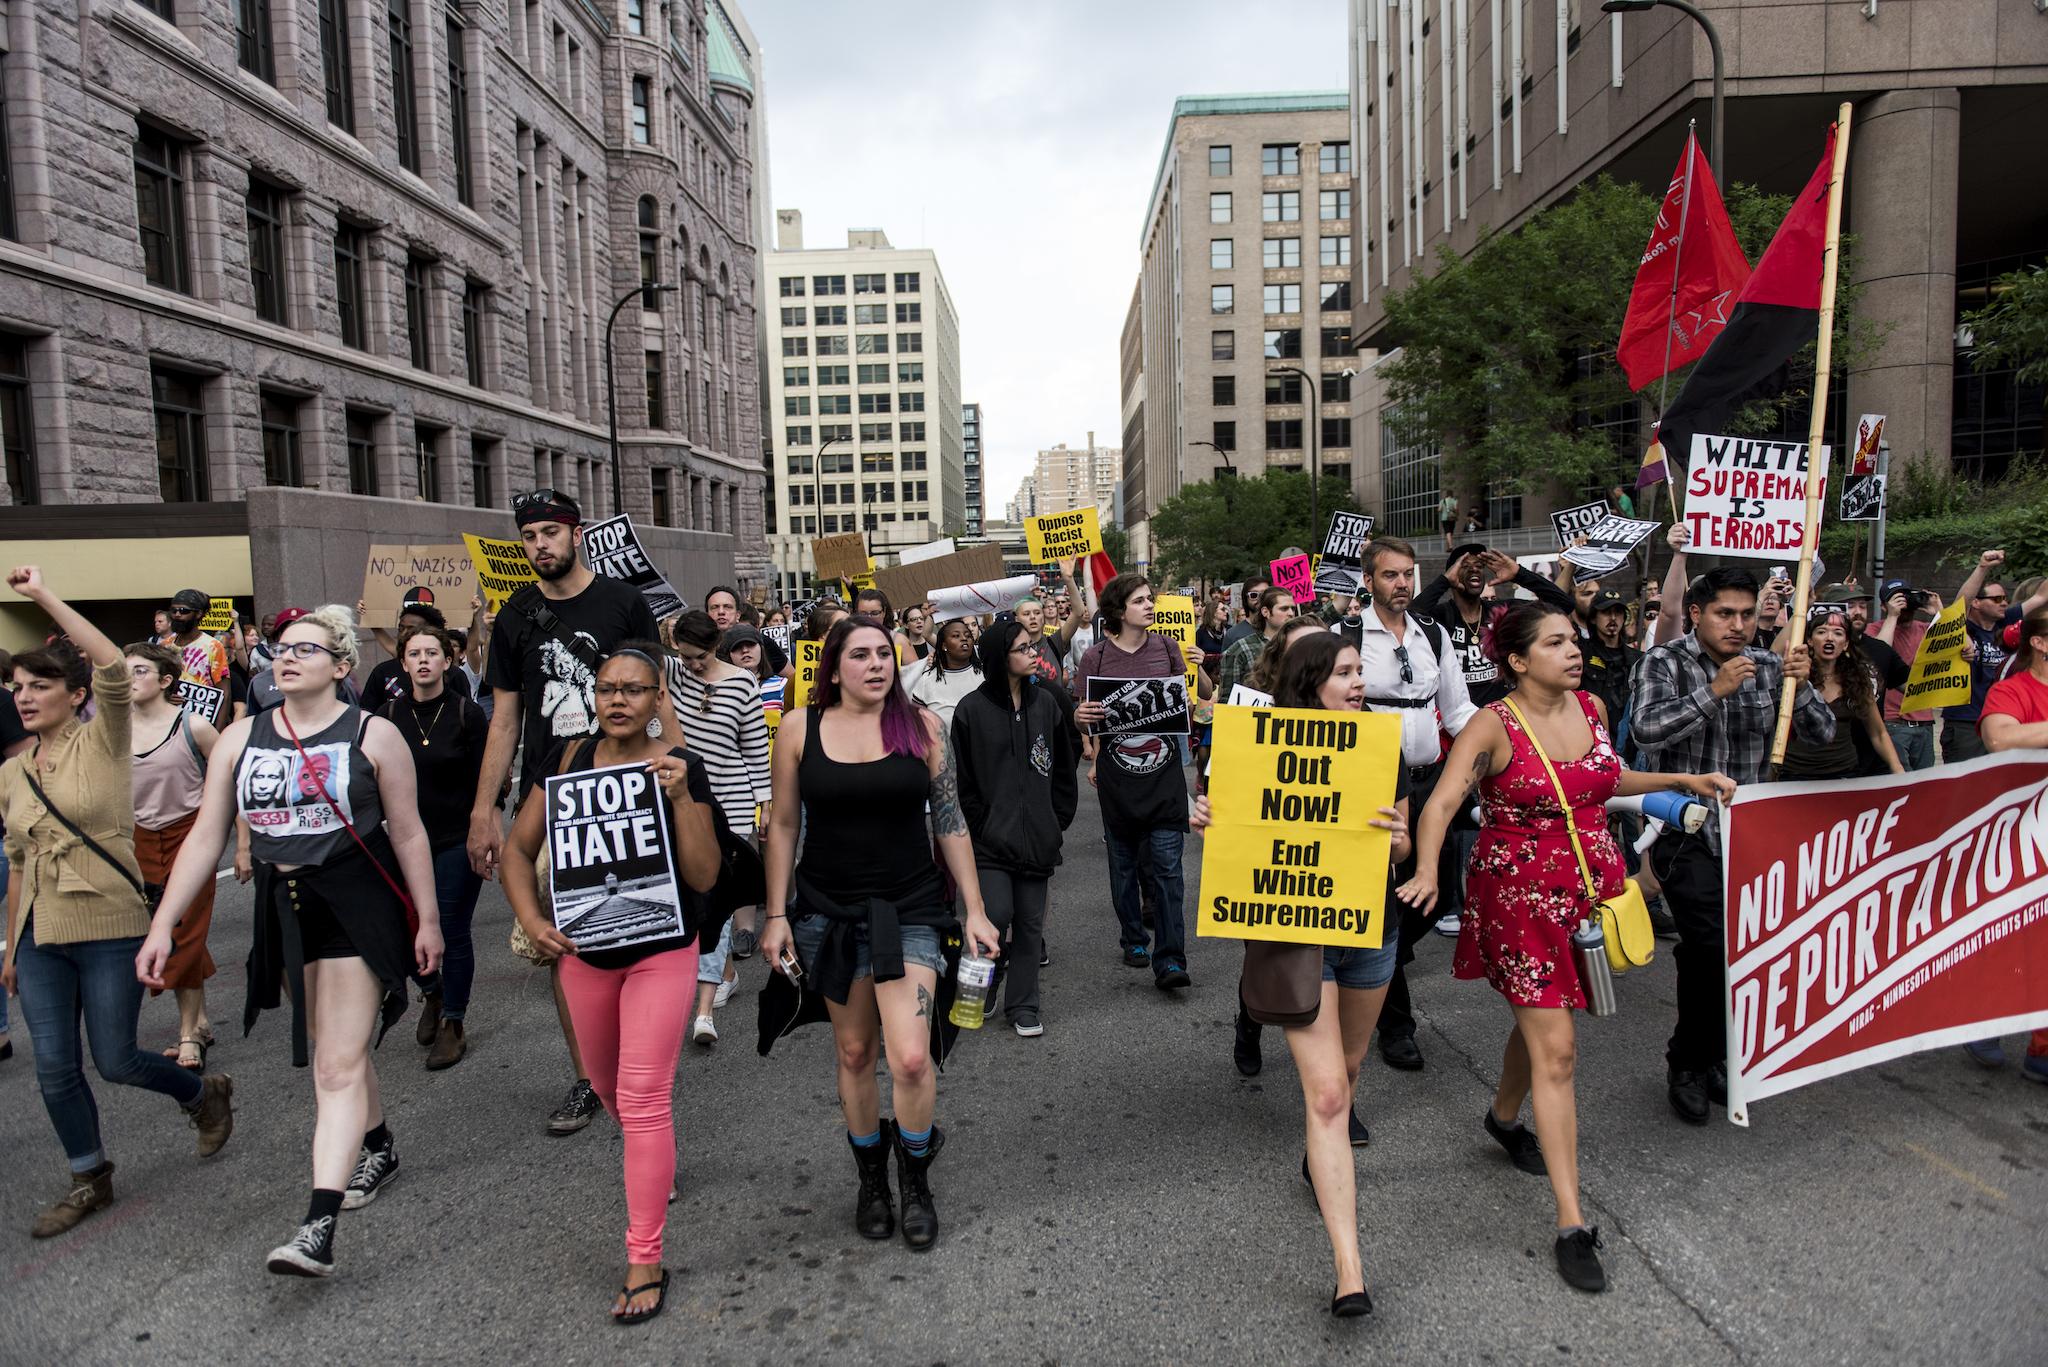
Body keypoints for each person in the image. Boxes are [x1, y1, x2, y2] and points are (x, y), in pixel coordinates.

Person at [1399, 601, 1732, 1292]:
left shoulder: (1593, 707)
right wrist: (1429, 868)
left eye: (1572, 640)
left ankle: (1502, 1118)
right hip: (1520, 902)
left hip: (1588, 893)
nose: (1574, 649)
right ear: (1518, 660)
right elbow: (1440, 804)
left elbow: (1603, 784)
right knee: (1559, 1047)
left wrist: (1676, 781)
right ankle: (1573, 1222)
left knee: (1548, 1022)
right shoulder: (1494, 723)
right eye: (1555, 642)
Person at [142, 604, 441, 1275]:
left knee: (335, 1064)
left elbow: (409, 832)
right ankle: (379, 1143)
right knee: (340, 1044)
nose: (288, 655)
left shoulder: (373, 734)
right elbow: (205, 836)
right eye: (281, 647)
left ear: (341, 666)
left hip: (354, 901)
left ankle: (317, 1227)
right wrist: (163, 922)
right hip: (285, 907)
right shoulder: (241, 739)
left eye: (307, 648)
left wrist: (428, 919)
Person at [3, 569, 235, 1238]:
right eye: (18, 687)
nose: (25, 697)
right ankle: (88, 1175)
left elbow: (109, 662)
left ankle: (202, 1093)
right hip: (41, 936)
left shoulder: (104, 741)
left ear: (75, 696)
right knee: (53, 1066)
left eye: (41, 685)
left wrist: (42, 595)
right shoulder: (10, 774)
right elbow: (19, 861)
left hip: (108, 925)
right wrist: (12, 947)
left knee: (116, 1058)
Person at [760, 616, 1002, 1251]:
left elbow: (949, 823)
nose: (876, 664)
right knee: (854, 1054)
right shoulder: (796, 730)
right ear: (832, 666)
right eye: (860, 654)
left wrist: (974, 909)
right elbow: (783, 824)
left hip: (912, 908)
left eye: (884, 654)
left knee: (913, 1057)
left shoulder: (923, 727)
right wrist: (777, 912)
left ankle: (914, 1175)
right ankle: (872, 1178)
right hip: (826, 912)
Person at [1193, 632, 1413, 1316]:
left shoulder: (1385, 745)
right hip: (1297, 938)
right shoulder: (1257, 746)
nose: (1357, 681)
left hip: (1370, 930)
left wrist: (1399, 839)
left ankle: (1318, 1156)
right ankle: (1351, 1271)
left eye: (1359, 670)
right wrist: (1207, 817)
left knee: (1346, 1075)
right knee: (1324, 1097)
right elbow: (1231, 832)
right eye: (1343, 671)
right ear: (1311, 680)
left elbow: (1401, 844)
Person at [501, 642, 722, 1322]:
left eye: (633, 688)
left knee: (643, 1095)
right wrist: (532, 917)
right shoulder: (565, 761)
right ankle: (654, 1162)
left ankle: (644, 1255)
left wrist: (682, 796)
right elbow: (517, 848)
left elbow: (708, 874)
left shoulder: (682, 766)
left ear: (660, 699)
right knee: (604, 1086)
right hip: (584, 953)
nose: (617, 699)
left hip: (662, 948)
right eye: (605, 688)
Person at [470, 489, 662, 1136]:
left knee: (638, 926)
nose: (539, 545)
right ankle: (588, 1077)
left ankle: (639, 1061)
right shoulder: (514, 616)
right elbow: (504, 721)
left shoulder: (622, 602)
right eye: (529, 536)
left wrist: (677, 775)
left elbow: (654, 697)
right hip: (550, 799)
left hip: (626, 788)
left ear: (577, 534)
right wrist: (484, 809)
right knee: (563, 942)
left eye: (550, 532)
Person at [1634, 568, 1834, 1125]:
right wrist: (1713, 691)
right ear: (1697, 613)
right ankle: (1687, 1064)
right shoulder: (1664, 662)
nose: (1739, 625)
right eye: (1726, 613)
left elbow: (1820, 733)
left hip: (1751, 838)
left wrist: (1807, 681)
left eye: (1748, 614)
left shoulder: (1771, 666)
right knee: (1707, 949)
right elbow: (1647, 732)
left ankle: (1721, 1057)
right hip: (1686, 831)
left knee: (1741, 953)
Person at [1352, 537, 1478, 1072]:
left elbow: (1458, 710)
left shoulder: (1434, 633)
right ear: (1368, 581)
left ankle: (1386, 957)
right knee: (1385, 897)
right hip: (1371, 788)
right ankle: (1396, 1026)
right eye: (1390, 575)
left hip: (1430, 782)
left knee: (1441, 888)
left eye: (1408, 574)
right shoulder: (1347, 635)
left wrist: (1508, 746)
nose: (1402, 584)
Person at [951, 619, 1079, 1037]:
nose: (1033, 653)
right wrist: (982, 824)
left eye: (1033, 646)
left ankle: (1023, 1004)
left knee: (1029, 923)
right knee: (992, 916)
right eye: (1023, 648)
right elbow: (962, 782)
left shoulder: (1048, 703)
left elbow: (1064, 766)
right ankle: (974, 994)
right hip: (988, 841)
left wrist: (1055, 821)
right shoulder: (971, 710)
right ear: (999, 658)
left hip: (1038, 839)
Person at [1073, 575, 1196, 990]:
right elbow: (1082, 714)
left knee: (1167, 871)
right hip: (1118, 780)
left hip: (1164, 779)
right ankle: (1134, 938)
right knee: (1123, 867)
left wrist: (1198, 682)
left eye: (1151, 599)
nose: (1149, 605)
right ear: (1118, 610)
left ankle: (1171, 959)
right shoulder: (1096, 658)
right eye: (1140, 600)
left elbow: (1194, 699)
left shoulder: (1166, 647)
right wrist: (1083, 727)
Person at [378, 623, 490, 1069]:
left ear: (449, 660)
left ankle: (453, 1022)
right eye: (414, 653)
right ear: (402, 662)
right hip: (401, 843)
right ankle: (432, 991)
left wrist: (487, 830)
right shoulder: (386, 717)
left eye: (431, 653)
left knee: (449, 928)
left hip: (453, 839)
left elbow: (489, 779)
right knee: (398, 929)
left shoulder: (468, 714)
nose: (423, 660)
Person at [664, 611, 770, 1044]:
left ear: (717, 645)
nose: (692, 665)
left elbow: (754, 746)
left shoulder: (743, 683)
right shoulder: (671, 672)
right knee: (691, 891)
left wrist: (765, 801)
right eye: (684, 656)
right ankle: (723, 969)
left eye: (700, 656)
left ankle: (710, 989)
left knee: (716, 890)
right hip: (683, 798)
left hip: (731, 800)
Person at [1958, 603, 2048, 1078]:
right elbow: (1999, 738)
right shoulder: (2013, 690)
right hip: (2019, 835)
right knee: (2011, 932)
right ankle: (1984, 1019)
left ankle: (2042, 1049)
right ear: (2040, 642)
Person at [124, 642, 221, 1071]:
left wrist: (240, 843)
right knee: (168, 928)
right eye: (124, 672)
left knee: (183, 929)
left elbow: (231, 780)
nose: (129, 679)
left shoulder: (194, 726)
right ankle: (198, 1019)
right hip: (138, 841)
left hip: (191, 835)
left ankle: (188, 1038)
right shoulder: (110, 731)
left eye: (140, 671)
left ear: (166, 681)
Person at [1943, 550, 2048, 762]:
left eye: (2005, 598)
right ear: (1976, 602)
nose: (2004, 603)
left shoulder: (2004, 623)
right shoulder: (1962, 628)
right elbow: (1958, 607)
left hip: (2009, 716)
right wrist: (1982, 567)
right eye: (1997, 598)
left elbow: (2041, 596)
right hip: (1967, 722)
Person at [1778, 606, 1905, 780]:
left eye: (1838, 633)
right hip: (1794, 774)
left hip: (1843, 774)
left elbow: (1878, 732)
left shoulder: (1858, 681)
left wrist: (1898, 770)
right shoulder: (1794, 677)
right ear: (1809, 640)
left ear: (1845, 644)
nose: (1829, 638)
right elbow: (1772, 653)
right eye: (1821, 632)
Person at [358, 592, 474, 707]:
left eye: (411, 629)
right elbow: (367, 714)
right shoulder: (382, 672)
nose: (403, 633)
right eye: (401, 628)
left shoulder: (455, 675)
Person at [160, 588, 234, 729]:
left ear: (199, 613)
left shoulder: (213, 646)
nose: (177, 615)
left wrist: (216, 734)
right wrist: (164, 698)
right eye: (173, 610)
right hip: (169, 724)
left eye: (184, 611)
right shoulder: (164, 646)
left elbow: (224, 693)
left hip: (201, 725)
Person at [1219, 588, 1298, 700]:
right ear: (1265, 612)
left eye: (1293, 609)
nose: (1290, 613)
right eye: (1284, 609)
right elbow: (1226, 700)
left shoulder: (1300, 646)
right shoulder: (1240, 649)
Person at [901, 617, 981, 727]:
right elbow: (917, 726)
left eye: (968, 636)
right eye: (956, 636)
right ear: (944, 645)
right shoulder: (926, 681)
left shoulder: (986, 676)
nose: (964, 639)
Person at [709, 584, 789, 674]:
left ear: (738, 614)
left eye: (727, 607)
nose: (721, 612)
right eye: (715, 607)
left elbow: (791, 676)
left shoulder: (763, 641)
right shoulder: (700, 646)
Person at [1220, 580, 1271, 651]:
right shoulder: (1232, 635)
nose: (1260, 598)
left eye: (1264, 594)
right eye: (1253, 595)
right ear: (1245, 599)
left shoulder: (1280, 630)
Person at [1197, 599, 1230, 680]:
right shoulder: (1201, 633)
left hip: (1226, 674)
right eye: (1222, 609)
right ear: (1213, 612)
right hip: (1207, 676)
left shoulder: (1230, 630)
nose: (1226, 611)